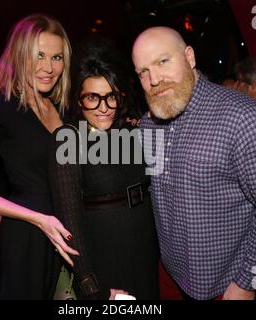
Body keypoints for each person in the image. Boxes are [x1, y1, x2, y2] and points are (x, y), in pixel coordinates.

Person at [132, 26, 256, 300]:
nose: (154, 79)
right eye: (143, 72)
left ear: (189, 57)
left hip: (225, 286)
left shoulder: (244, 117)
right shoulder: (149, 123)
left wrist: (249, 281)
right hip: (170, 277)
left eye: (163, 62)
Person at [0, 14, 78, 299]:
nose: (48, 67)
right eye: (38, 56)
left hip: (67, 230)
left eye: (57, 57)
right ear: (20, 54)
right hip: (28, 237)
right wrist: (37, 219)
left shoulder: (59, 105)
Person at [48, 38, 159, 300]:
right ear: (78, 100)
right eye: (92, 98)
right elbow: (69, 222)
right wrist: (91, 286)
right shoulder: (68, 140)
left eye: (110, 97)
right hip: (105, 254)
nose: (103, 107)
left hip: (145, 246)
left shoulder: (132, 131)